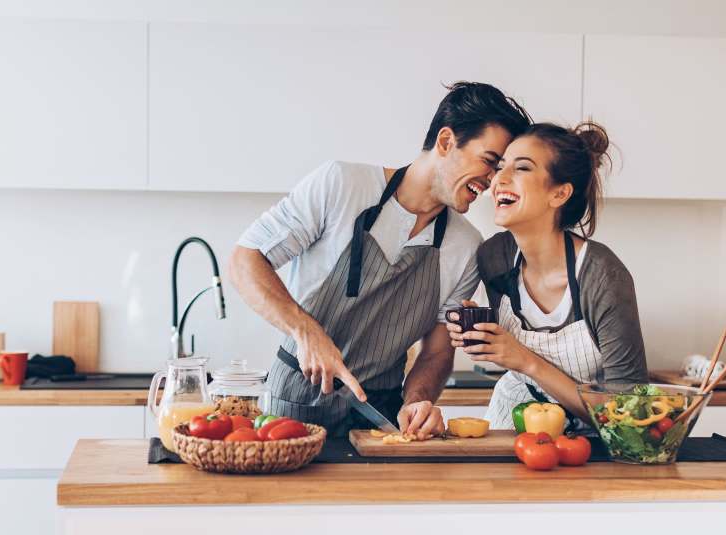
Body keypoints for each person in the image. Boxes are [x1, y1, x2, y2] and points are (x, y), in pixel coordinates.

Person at [229, 82, 532, 438]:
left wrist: (417, 402)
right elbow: (245, 258)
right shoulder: (341, 185)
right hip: (295, 404)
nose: (495, 181)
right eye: (490, 162)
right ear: (446, 141)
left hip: (380, 415)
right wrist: (305, 331)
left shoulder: (466, 246)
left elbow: (436, 351)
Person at [447, 121, 647, 429]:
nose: (499, 178)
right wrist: (481, 332)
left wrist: (524, 360)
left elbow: (630, 415)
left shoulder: (602, 276)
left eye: (522, 168)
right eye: (500, 167)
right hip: (512, 419)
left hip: (593, 438)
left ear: (560, 194)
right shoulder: (494, 256)